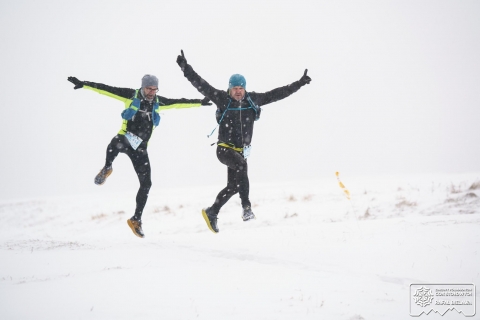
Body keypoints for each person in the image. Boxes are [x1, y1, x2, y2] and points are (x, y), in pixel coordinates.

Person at [176, 50, 311, 233]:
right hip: (224, 149)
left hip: (240, 151)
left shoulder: (253, 100)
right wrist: (185, 67)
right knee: (241, 166)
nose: (238, 92)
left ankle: (212, 211)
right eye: (235, 88)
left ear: (245, 88)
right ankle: (246, 208)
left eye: (241, 88)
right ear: (229, 89)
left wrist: (299, 84)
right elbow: (201, 85)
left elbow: (278, 94)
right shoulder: (222, 99)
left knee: (233, 186)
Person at [67, 75, 210, 238]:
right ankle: (107, 168)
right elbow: (105, 89)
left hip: (140, 149)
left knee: (147, 184)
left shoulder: (158, 102)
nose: (152, 92)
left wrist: (200, 102)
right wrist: (84, 84)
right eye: (149, 88)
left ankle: (136, 219)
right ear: (142, 87)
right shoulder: (130, 95)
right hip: (126, 138)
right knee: (114, 143)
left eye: (155, 89)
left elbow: (179, 102)